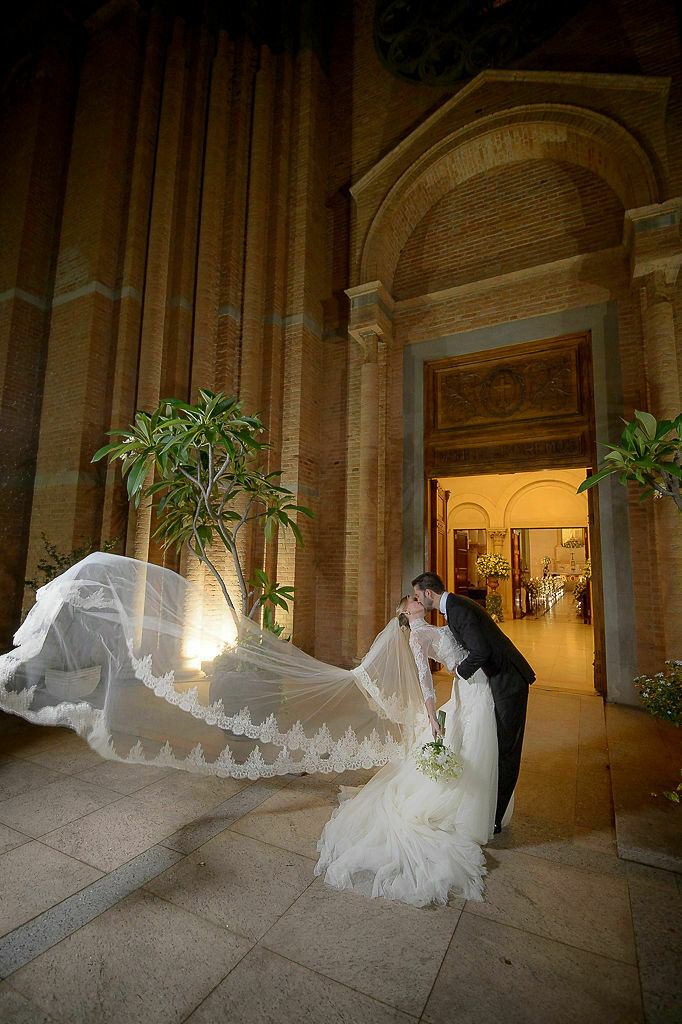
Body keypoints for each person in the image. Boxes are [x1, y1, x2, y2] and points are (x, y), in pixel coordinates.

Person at [315, 594, 504, 905]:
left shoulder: (433, 626)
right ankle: (471, 811)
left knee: (473, 741)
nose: (419, 599)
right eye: (413, 599)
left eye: (418, 596)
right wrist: (431, 715)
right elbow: (425, 678)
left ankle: (481, 804)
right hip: (469, 687)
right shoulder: (418, 636)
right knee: (472, 738)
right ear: (406, 611)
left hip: (471, 684)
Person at [412, 571, 535, 834]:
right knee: (495, 744)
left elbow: (481, 651)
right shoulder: (454, 607)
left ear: (429, 593)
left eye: (419, 596)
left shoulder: (458, 610)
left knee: (507, 749)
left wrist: (458, 672)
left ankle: (495, 817)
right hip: (495, 680)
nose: (419, 601)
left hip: (508, 681)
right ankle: (491, 809)